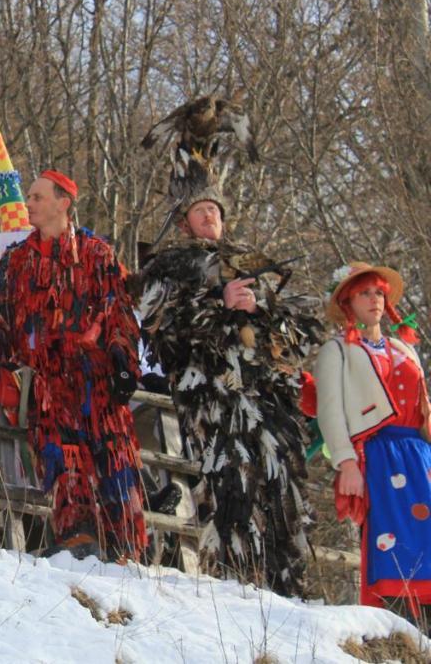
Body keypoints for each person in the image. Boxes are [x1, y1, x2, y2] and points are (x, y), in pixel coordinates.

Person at [135, 185, 322, 593]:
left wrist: (260, 308)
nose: (208, 216)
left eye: (213, 210)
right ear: (184, 222)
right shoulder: (171, 267)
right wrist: (220, 303)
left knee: (280, 488)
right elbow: (163, 333)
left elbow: (297, 338)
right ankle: (238, 583)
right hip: (213, 398)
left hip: (266, 397)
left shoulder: (252, 264)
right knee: (230, 487)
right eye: (199, 211)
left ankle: (285, 584)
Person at [0, 170, 147, 560]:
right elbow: (1, 310)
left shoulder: (98, 254)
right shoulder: (16, 260)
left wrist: (122, 359)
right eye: (29, 197)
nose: (28, 204)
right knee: (62, 452)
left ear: (63, 202)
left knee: (113, 454)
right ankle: (77, 535)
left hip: (96, 379)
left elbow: (119, 311)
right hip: (48, 381)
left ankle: (126, 546)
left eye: (36, 197)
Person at [314, 263, 431, 614]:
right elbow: (330, 411)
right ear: (348, 301)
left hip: (420, 455)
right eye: (365, 292)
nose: (374, 299)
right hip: (378, 457)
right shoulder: (336, 350)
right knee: (392, 543)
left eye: (379, 292)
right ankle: (401, 622)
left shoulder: (403, 348)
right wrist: (346, 462)